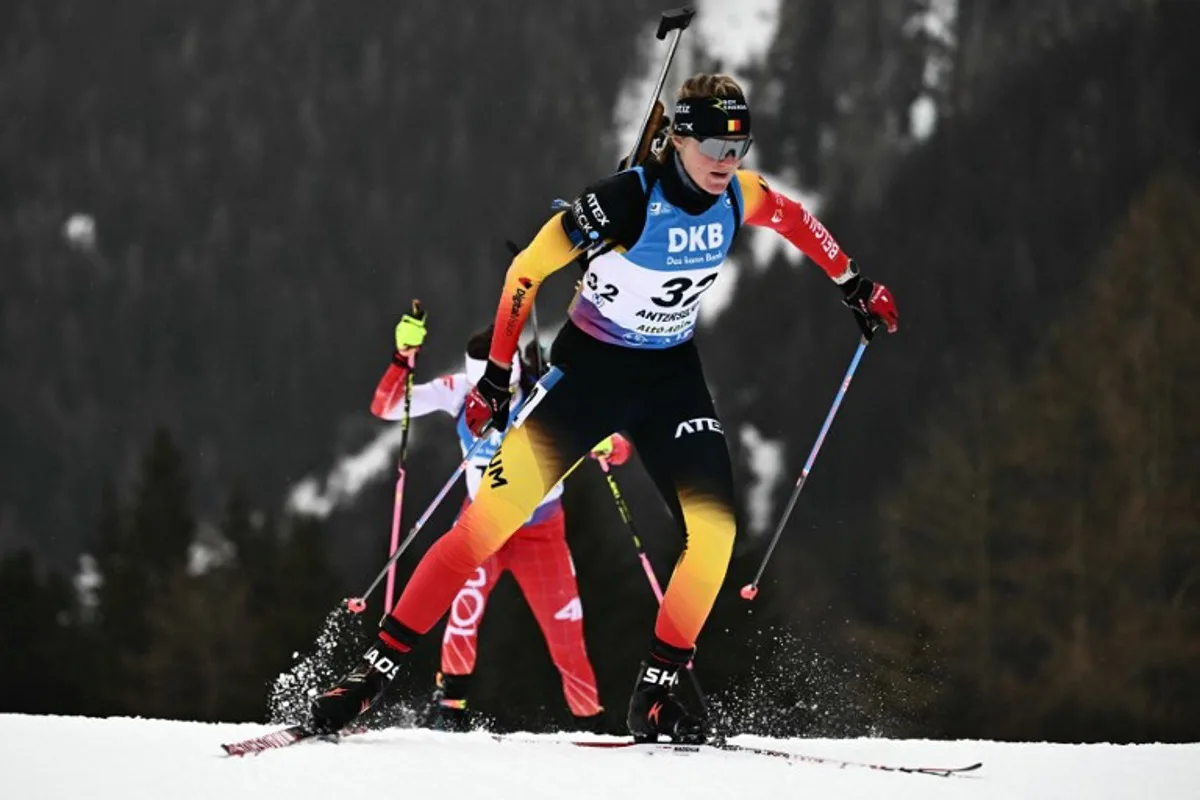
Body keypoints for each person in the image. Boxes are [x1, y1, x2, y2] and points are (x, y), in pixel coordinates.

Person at [312, 73, 898, 743]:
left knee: (714, 533)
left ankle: (655, 694)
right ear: (677, 137)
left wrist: (855, 283)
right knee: (484, 527)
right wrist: (498, 374)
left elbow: (795, 220)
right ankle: (371, 677)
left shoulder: (739, 195)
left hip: (671, 378)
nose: (725, 162)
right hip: (588, 374)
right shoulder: (624, 201)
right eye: (711, 145)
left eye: (738, 147)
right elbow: (525, 273)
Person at [371, 314, 631, 731]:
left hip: (541, 533)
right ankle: (449, 707)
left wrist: (604, 441)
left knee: (566, 633)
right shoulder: (457, 390)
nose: (487, 399)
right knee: (463, 611)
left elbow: (618, 447)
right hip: (483, 521)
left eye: (496, 389)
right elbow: (386, 408)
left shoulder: (543, 391)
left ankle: (592, 721)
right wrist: (402, 357)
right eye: (481, 391)